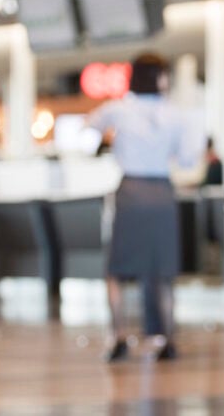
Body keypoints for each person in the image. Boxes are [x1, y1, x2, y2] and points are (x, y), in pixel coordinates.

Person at [87, 52, 204, 363]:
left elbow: (89, 127)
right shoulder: (176, 114)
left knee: (117, 270)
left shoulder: (119, 109)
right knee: (162, 270)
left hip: (131, 191)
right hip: (162, 192)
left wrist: (111, 141)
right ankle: (167, 338)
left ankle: (118, 337)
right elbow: (188, 158)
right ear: (161, 78)